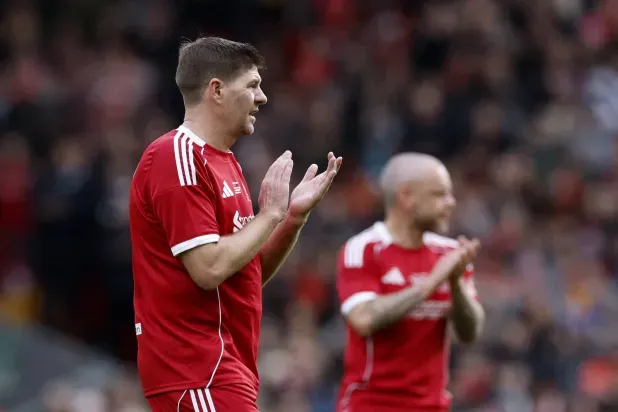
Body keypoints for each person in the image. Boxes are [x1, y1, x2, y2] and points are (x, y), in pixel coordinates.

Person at [130, 36, 342, 412]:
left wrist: (292, 218)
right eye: (252, 85)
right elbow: (209, 268)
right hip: (197, 370)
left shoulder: (225, 163)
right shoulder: (176, 156)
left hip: (225, 370)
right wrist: (269, 215)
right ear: (216, 90)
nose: (262, 98)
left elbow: (244, 276)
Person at [336, 153, 485, 412]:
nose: (451, 202)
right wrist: (431, 283)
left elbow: (470, 332)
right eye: (439, 194)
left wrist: (456, 284)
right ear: (406, 196)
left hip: (433, 407)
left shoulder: (449, 254)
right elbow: (363, 319)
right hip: (371, 405)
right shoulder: (364, 249)